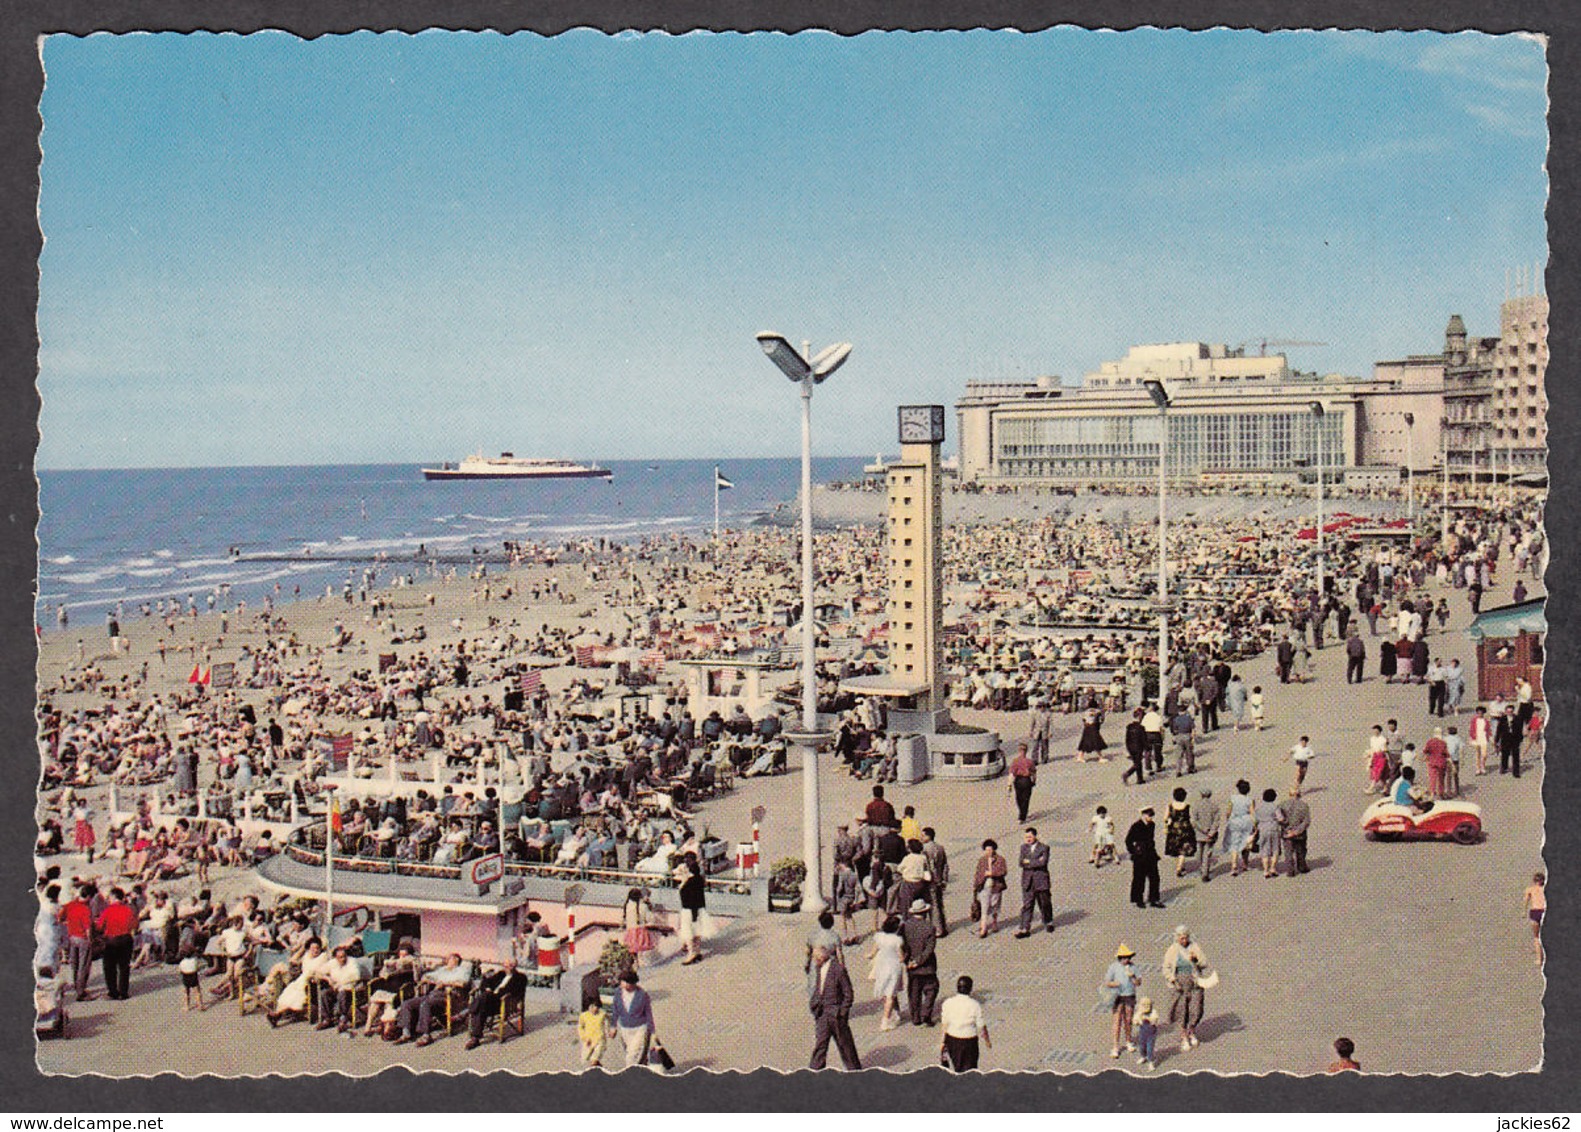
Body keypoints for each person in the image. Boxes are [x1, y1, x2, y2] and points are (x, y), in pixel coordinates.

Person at [808, 943, 862, 1070]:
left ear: (822, 958)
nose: (814, 961)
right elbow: (819, 988)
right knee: (820, 1044)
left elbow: (848, 993)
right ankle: (814, 1071)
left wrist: (842, 1012)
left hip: (836, 1014)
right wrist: (814, 1003)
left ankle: (854, 1070)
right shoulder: (819, 968)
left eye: (815, 958)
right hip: (822, 1013)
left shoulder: (838, 969)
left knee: (845, 1045)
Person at [462, 959, 528, 1050]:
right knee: (482, 1004)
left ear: (515, 966)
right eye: (505, 965)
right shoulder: (501, 974)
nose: (507, 968)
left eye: (510, 966)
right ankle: (475, 1038)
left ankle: (467, 1012)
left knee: (483, 999)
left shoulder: (520, 977)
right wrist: (488, 987)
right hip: (489, 1002)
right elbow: (486, 981)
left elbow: (516, 993)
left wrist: (496, 993)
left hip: (504, 1004)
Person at [1162, 925, 1208, 1050]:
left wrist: (1196, 960)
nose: (1183, 941)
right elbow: (1166, 968)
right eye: (1181, 938)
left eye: (1185, 938)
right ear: (1177, 938)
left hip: (1194, 981)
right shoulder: (1172, 950)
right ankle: (1183, 1036)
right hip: (1180, 983)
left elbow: (1204, 963)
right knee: (1181, 1010)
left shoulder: (1194, 947)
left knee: (1196, 1008)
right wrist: (1172, 979)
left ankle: (1191, 1031)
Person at [938, 975, 991, 1072]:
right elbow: (981, 1026)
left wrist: (942, 1042)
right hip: (969, 1040)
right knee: (970, 1068)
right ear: (970, 988)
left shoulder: (948, 1003)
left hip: (952, 1039)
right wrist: (987, 1041)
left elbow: (945, 1025)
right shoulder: (974, 1005)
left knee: (957, 1066)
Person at [95, 887, 138, 1001]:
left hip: (111, 940)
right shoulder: (128, 910)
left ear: (114, 897)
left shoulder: (107, 910)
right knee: (124, 967)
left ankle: (113, 991)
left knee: (109, 967)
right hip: (126, 939)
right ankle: (123, 992)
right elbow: (135, 925)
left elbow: (99, 926)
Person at [901, 899, 939, 1026]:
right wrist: (919, 961)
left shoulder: (905, 926)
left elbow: (902, 945)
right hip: (927, 966)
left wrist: (908, 960)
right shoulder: (930, 927)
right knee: (931, 989)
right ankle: (926, 1014)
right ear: (925, 912)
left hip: (911, 966)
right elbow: (929, 949)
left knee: (914, 993)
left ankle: (915, 1017)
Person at [608, 968, 656, 1068]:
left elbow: (648, 1013)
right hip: (625, 1029)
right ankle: (642, 1070)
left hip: (639, 1029)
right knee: (632, 1053)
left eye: (623, 982)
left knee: (631, 1056)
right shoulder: (618, 993)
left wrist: (652, 1031)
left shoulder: (642, 995)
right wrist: (613, 1026)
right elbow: (615, 1009)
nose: (621, 984)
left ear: (631, 983)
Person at [867, 914, 906, 1031]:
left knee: (887, 992)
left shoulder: (879, 937)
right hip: (893, 968)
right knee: (891, 994)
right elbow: (901, 957)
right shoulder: (897, 940)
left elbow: (872, 953)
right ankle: (885, 1020)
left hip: (881, 966)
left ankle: (895, 1012)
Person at [1103, 944, 1141, 1058]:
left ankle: (1129, 1041)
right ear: (1120, 958)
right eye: (1124, 958)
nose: (1127, 960)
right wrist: (1115, 984)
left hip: (1129, 995)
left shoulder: (1133, 967)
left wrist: (1132, 976)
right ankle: (1115, 1046)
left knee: (1128, 1019)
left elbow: (1138, 983)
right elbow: (1107, 982)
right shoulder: (1113, 967)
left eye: (1128, 957)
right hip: (1118, 996)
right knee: (1117, 1020)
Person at [1015, 828, 1054, 936]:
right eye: (1026, 837)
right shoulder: (1023, 848)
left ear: (1035, 836)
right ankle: (1024, 928)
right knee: (1027, 905)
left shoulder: (1044, 847)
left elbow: (1043, 863)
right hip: (1028, 881)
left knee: (1044, 903)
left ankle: (1048, 921)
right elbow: (1021, 862)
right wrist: (1035, 861)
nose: (1028, 839)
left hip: (1041, 880)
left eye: (1030, 837)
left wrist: (1029, 862)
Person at [972, 839, 1007, 937]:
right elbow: (978, 873)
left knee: (995, 906)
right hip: (984, 887)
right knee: (984, 908)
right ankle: (983, 928)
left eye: (990, 850)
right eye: (986, 850)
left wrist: (992, 873)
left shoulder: (1000, 859)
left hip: (996, 887)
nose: (988, 852)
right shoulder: (982, 860)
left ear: (994, 849)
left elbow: (1003, 871)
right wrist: (976, 886)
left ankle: (994, 922)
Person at [676, 852, 707, 964]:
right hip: (699, 909)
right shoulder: (699, 880)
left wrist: (683, 882)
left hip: (689, 909)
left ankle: (691, 953)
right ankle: (698, 951)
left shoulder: (689, 882)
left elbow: (683, 895)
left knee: (688, 932)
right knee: (697, 930)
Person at [921, 827, 950, 937]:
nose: (921, 837)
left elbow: (927, 866)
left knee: (933, 905)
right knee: (939, 903)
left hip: (930, 880)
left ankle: (937, 929)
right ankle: (942, 926)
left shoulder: (924, 849)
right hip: (939, 878)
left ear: (928, 836)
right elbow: (945, 865)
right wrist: (944, 879)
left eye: (923, 835)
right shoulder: (940, 847)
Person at [1163, 788, 1195, 878]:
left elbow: (1165, 818)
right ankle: (1180, 867)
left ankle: (1179, 865)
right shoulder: (1187, 806)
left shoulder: (1170, 806)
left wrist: (1168, 823)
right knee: (1184, 849)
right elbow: (1191, 818)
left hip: (1174, 828)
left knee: (1176, 847)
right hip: (1185, 828)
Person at [1192, 786, 1221, 882]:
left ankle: (1201, 868)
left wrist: (1203, 829)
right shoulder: (1214, 806)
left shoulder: (1196, 805)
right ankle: (1205, 872)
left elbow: (1194, 821)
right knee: (1207, 853)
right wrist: (1211, 831)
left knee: (1199, 852)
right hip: (1210, 834)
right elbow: (1217, 821)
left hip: (1199, 833)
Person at [1254, 788, 1284, 878]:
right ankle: (1273, 868)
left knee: (1265, 850)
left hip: (1263, 829)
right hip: (1274, 829)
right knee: (1275, 850)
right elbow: (1280, 818)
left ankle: (1266, 871)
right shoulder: (1275, 807)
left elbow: (1255, 820)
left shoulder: (1259, 808)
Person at [622, 888, 656, 965]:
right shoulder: (643, 907)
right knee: (642, 953)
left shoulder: (627, 906)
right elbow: (650, 919)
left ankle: (635, 964)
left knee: (633, 951)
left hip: (630, 931)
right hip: (640, 932)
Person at [1281, 790, 1311, 876]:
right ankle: (1301, 866)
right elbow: (1306, 821)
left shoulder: (1282, 805)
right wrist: (1297, 831)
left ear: (1289, 794)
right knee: (1301, 850)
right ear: (1299, 795)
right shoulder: (1304, 806)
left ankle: (1290, 870)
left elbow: (1279, 819)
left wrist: (1285, 829)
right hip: (1300, 833)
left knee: (1288, 852)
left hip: (1287, 832)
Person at [578, 996, 613, 1068]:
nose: (594, 1009)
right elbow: (580, 1027)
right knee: (586, 1059)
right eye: (592, 1007)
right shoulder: (583, 1015)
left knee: (593, 1060)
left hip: (600, 1040)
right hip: (589, 1040)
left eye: (596, 1007)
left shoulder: (602, 1014)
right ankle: (599, 1066)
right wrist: (584, 1038)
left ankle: (592, 1075)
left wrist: (610, 1029)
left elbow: (609, 1020)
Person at [1008, 743, 1036, 823]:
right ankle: (1023, 815)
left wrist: (1009, 784)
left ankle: (1021, 814)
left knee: (1019, 798)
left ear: (1019, 751)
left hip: (1018, 780)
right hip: (1027, 780)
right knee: (1026, 799)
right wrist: (1034, 781)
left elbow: (1012, 774)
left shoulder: (1015, 761)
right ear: (1026, 751)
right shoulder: (1030, 761)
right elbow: (1034, 772)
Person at [1523, 873, 1546, 968]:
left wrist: (1524, 912)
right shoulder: (1545, 889)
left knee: (1536, 936)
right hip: (1544, 911)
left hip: (1534, 912)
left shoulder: (1530, 889)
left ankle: (1539, 959)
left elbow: (1525, 901)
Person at [1496, 704, 1523, 778]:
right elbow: (1499, 730)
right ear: (1506, 711)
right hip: (1505, 739)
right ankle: (1504, 767)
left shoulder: (1517, 719)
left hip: (1514, 739)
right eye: (1508, 711)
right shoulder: (1502, 719)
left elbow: (1520, 730)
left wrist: (1520, 739)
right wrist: (1497, 740)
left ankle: (1516, 772)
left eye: (1511, 711)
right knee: (1505, 754)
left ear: (1513, 711)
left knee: (1515, 756)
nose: (1509, 713)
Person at [1134, 996, 1161, 1070]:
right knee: (1142, 1046)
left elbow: (1154, 1021)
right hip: (1142, 1033)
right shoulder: (1139, 1012)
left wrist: (1148, 1019)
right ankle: (1143, 1056)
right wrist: (1139, 1020)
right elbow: (1135, 1021)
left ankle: (1151, 1062)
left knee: (1150, 1048)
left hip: (1151, 1033)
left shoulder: (1153, 1012)